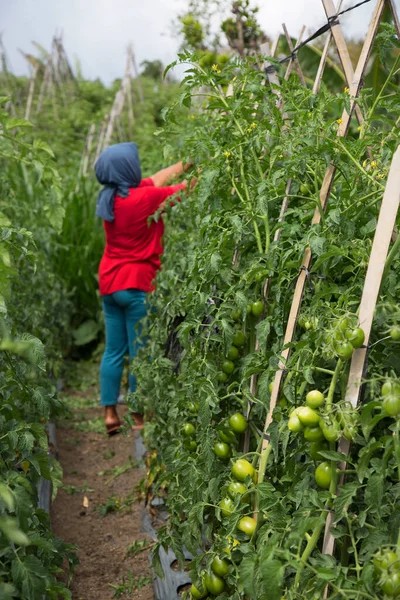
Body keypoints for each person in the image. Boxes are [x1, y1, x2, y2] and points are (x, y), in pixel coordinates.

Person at [95, 142, 193, 435]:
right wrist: (217, 166)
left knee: (113, 350)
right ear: (129, 170)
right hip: (137, 285)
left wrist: (189, 160)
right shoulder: (145, 199)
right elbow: (189, 188)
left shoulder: (111, 197)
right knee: (140, 353)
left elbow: (159, 177)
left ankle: (110, 414)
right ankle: (138, 418)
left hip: (110, 285)